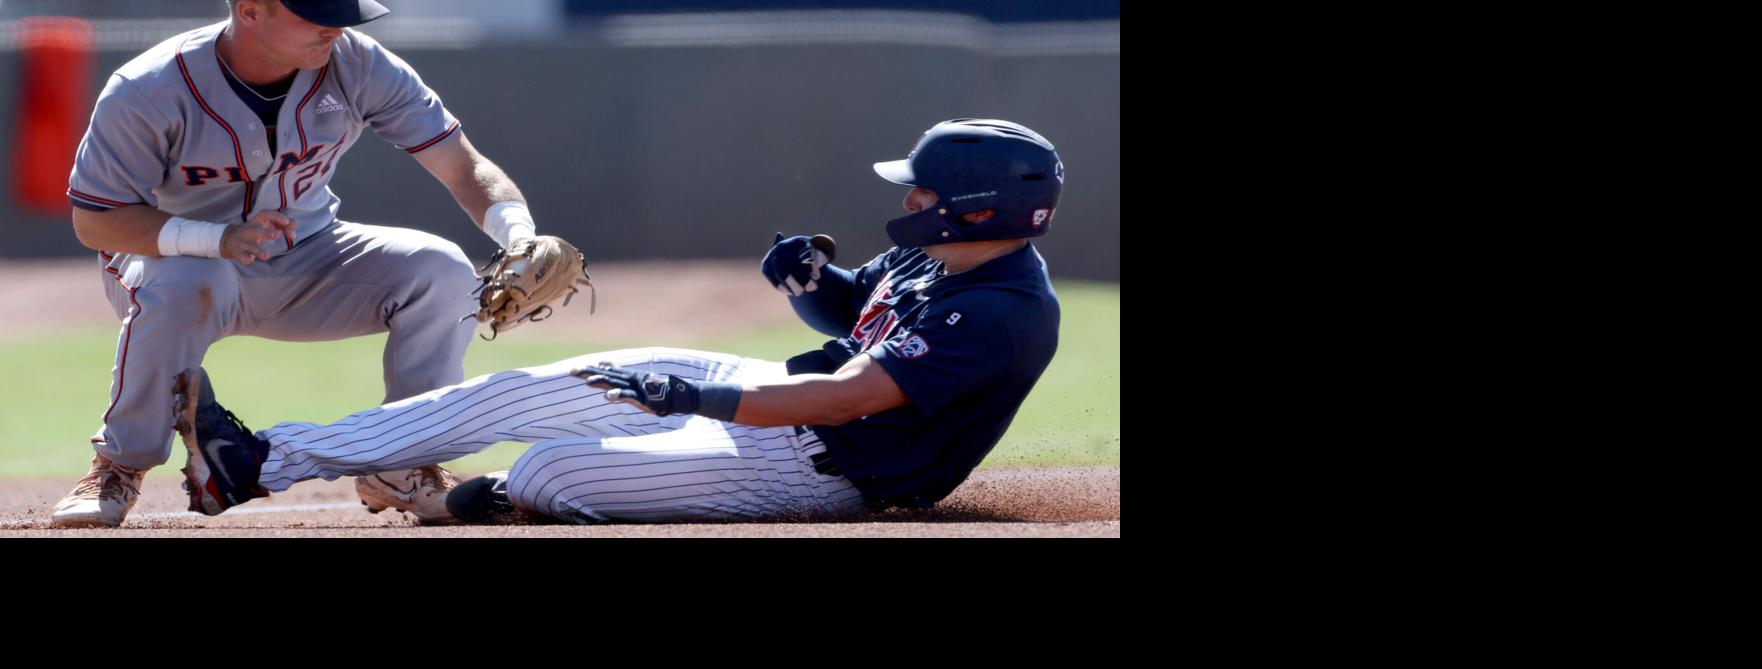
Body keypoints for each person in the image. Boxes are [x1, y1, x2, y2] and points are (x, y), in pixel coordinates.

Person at [170, 118, 1063, 525]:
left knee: (548, 467)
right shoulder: (942, 254)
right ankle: (256, 464)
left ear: (980, 210)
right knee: (517, 394)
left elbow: (843, 399)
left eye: (926, 188)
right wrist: (812, 283)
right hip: (772, 399)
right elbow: (853, 315)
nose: (908, 198)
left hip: (831, 468)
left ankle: (484, 505)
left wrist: (692, 396)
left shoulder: (1001, 313)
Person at [51, 0, 566, 527]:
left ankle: (405, 465)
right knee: (189, 278)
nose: (336, 27)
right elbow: (97, 221)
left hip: (312, 256)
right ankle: (118, 467)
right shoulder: (149, 87)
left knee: (443, 271)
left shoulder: (358, 63)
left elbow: (463, 166)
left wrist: (519, 235)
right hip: (176, 262)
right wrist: (217, 238)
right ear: (250, 10)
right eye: (316, 13)